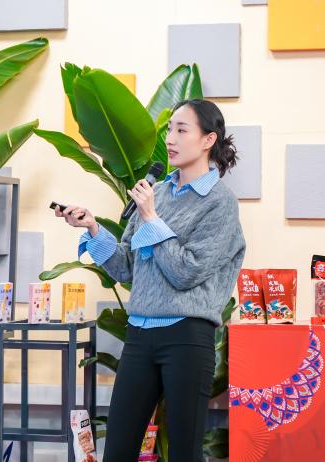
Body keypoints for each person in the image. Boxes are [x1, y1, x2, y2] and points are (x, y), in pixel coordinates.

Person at [55, 99, 246, 461]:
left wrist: (152, 219)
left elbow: (186, 271)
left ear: (208, 140)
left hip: (186, 337)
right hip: (140, 336)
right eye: (170, 129)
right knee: (117, 451)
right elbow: (126, 267)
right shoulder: (155, 194)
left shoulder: (219, 202)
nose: (170, 138)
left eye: (182, 130)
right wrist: (93, 228)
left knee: (185, 453)